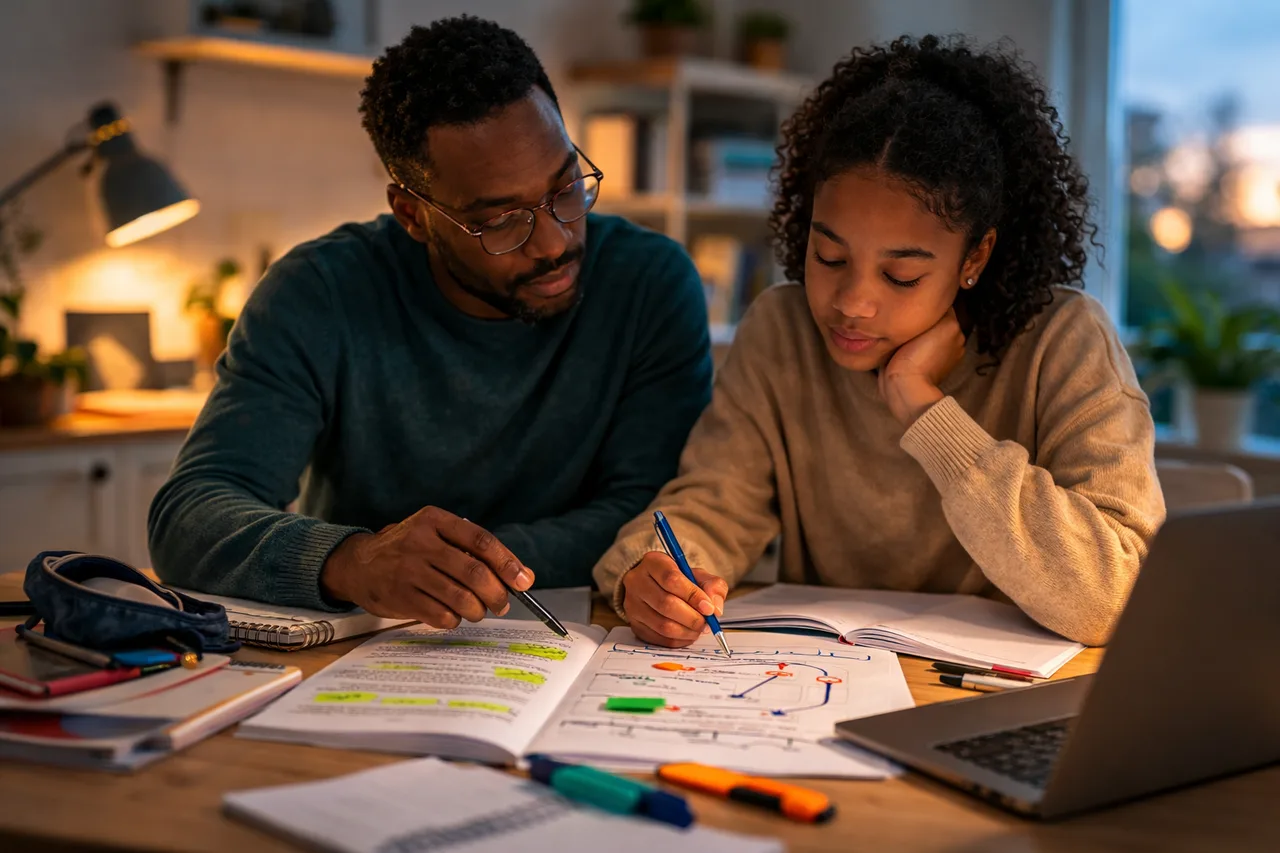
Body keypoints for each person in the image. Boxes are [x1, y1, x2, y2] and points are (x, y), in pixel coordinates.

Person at [593, 35, 1167, 649]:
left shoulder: (1064, 341)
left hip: (997, 701)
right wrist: (650, 572)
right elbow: (714, 503)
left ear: (976, 256)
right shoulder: (783, 331)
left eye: (901, 275)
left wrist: (927, 410)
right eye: (828, 255)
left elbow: (1118, 597)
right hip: (824, 689)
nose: (851, 303)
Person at [148, 16, 713, 629]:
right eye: (500, 221)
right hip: (368, 652)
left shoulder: (650, 283)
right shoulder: (318, 294)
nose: (553, 241)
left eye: (566, 187)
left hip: (586, 638)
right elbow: (190, 513)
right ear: (413, 215)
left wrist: (462, 568)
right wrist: (353, 560)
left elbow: (647, 511)